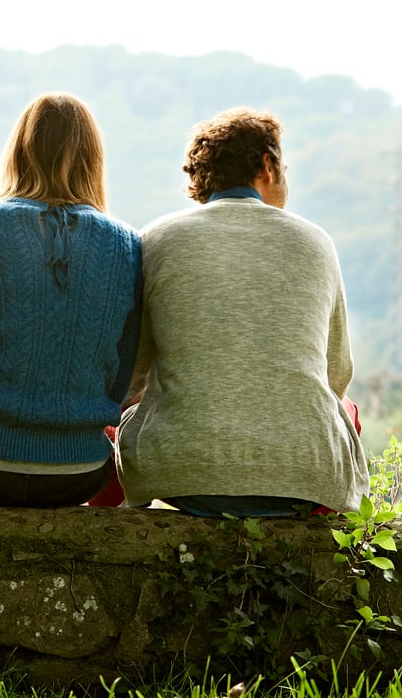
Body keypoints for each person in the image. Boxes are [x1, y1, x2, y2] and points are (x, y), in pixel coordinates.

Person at [114, 109, 366, 517]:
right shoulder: (316, 241)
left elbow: (132, 377)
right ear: (267, 164)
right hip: (304, 478)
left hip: (180, 475)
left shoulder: (156, 239)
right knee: (345, 409)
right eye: (284, 165)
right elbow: (336, 375)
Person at [0, 94, 141, 506]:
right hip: (79, 472)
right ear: (94, 159)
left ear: (18, 149)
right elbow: (120, 370)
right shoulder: (124, 243)